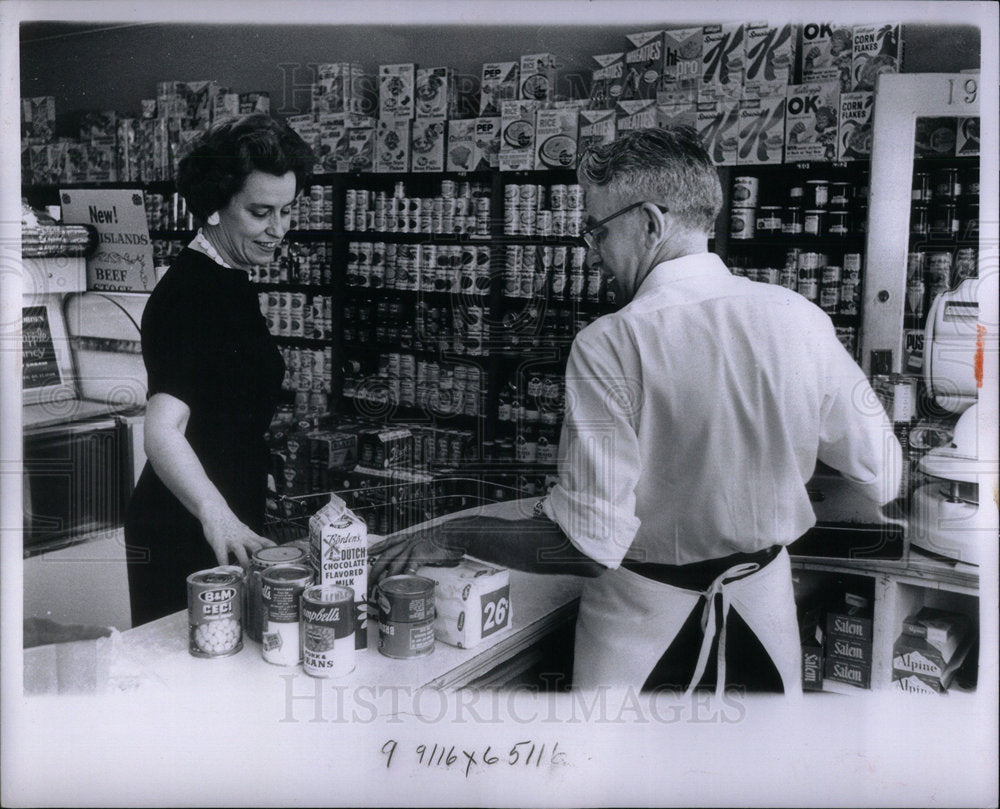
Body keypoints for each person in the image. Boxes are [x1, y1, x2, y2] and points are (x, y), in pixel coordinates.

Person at [371, 126, 902, 695]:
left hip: (642, 639)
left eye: (597, 230)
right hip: (765, 619)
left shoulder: (612, 343)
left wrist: (457, 534)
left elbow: (584, 546)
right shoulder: (801, 318)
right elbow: (884, 471)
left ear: (650, 221)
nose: (592, 251)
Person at [125, 113, 314, 626]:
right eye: (260, 213)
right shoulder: (191, 294)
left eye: (286, 211)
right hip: (186, 525)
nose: (278, 230)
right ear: (213, 208)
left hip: (226, 515)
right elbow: (162, 431)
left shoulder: (229, 277)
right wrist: (219, 516)